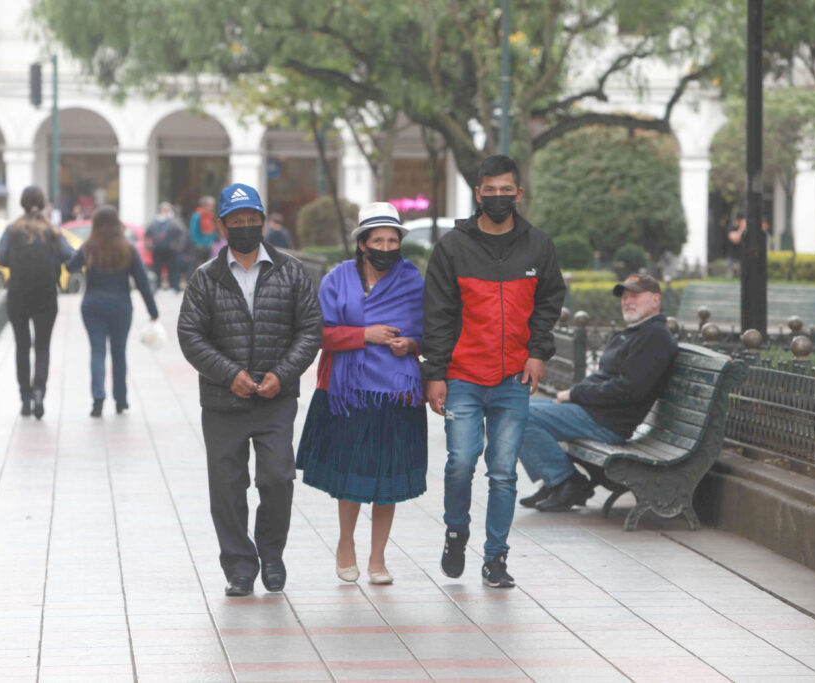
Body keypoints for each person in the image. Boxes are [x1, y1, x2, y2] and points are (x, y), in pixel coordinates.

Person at [422, 154, 567, 588]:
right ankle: (455, 530)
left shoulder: (538, 245)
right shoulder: (452, 246)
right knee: (461, 463)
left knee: (503, 472)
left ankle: (496, 558)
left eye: (508, 190)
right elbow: (438, 314)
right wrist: (435, 373)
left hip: (514, 379)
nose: (499, 197)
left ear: (519, 194)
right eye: (491, 190)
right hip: (463, 375)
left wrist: (538, 352)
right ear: (478, 193)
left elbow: (548, 302)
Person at [177, 182, 322, 597]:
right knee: (226, 487)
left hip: (276, 398)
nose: (245, 226)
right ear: (222, 226)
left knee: (278, 478)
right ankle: (239, 566)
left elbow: (310, 328)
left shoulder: (291, 270)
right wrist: (229, 374)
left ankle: (271, 555)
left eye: (251, 220)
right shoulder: (205, 278)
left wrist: (284, 373)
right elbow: (190, 335)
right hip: (224, 402)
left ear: (263, 221)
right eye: (236, 221)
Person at [296, 202, 427, 585]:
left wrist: (411, 345)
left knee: (387, 478)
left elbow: (428, 332)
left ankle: (378, 558)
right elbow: (317, 333)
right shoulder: (338, 279)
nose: (386, 247)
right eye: (378, 240)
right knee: (352, 475)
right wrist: (362, 335)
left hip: (396, 392)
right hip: (347, 391)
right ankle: (346, 545)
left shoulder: (412, 280)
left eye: (392, 240)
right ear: (363, 243)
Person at [518, 274, 678, 512]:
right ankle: (555, 482)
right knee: (511, 410)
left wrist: (575, 394)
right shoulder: (633, 332)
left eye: (635, 295)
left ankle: (567, 482)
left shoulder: (654, 337)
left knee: (519, 416)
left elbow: (628, 390)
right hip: (591, 412)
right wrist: (575, 393)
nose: (627, 301)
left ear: (656, 300)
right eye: (624, 297)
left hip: (607, 422)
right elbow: (606, 379)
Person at [66, 206, 159, 417]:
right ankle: (121, 400)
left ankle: (98, 399)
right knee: (119, 354)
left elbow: (71, 266)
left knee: (97, 352)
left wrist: (69, 251)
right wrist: (152, 311)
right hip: (120, 307)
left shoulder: (89, 247)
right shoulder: (128, 248)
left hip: (92, 305)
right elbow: (143, 283)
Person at [0, 186, 76, 419]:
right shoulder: (52, 231)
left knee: (22, 346)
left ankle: (24, 398)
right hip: (46, 295)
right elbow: (70, 255)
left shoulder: (12, 230)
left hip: (17, 295)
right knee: (42, 346)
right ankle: (39, 391)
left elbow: (0, 257)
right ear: (43, 205)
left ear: (22, 204)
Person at [146, 202, 185, 292]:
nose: (165, 212)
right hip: (157, 249)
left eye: (167, 210)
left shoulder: (174, 221)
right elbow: (147, 233)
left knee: (173, 269)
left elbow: (182, 232)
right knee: (157, 269)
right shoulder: (155, 221)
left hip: (171, 250)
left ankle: (173, 287)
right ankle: (157, 287)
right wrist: (148, 245)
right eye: (164, 210)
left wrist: (178, 245)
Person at [188, 196, 218, 266]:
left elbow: (211, 231)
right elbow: (193, 231)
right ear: (206, 205)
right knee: (195, 267)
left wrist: (212, 241)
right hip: (199, 247)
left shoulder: (210, 216)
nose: (213, 207)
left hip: (208, 246)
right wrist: (197, 244)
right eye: (212, 205)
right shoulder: (197, 215)